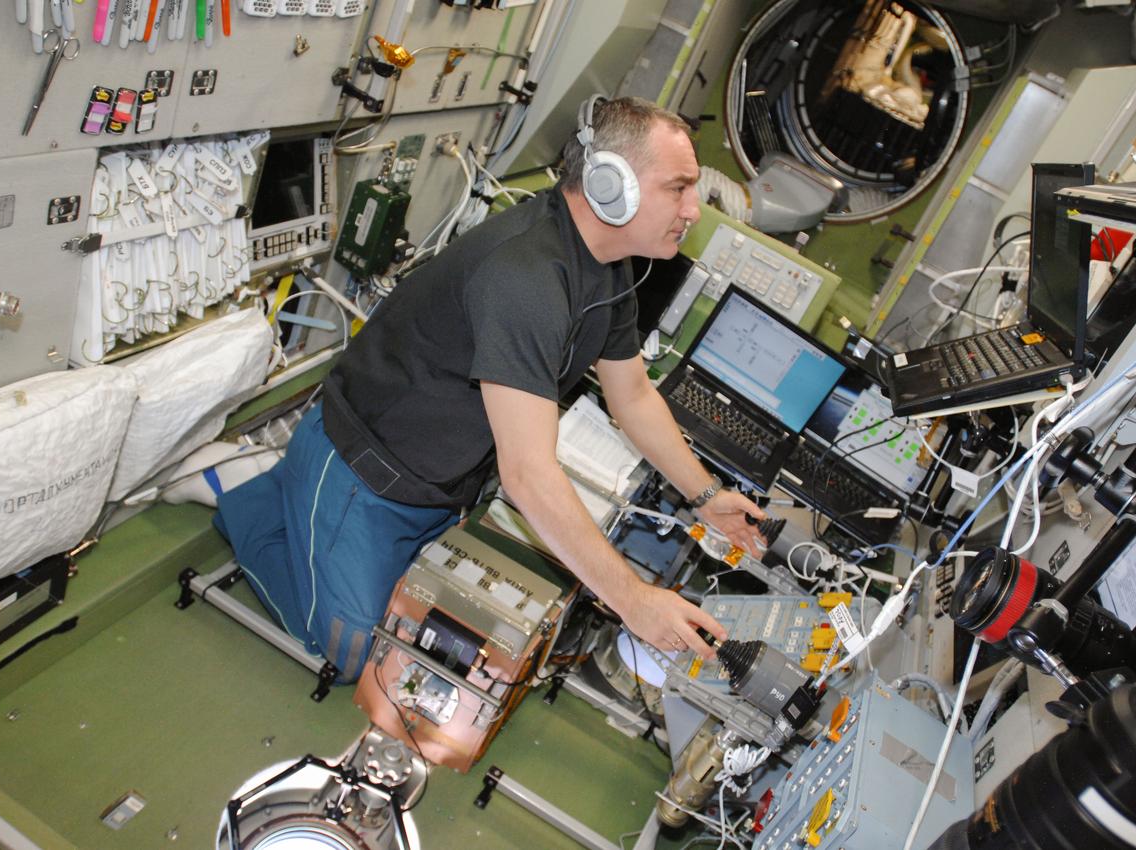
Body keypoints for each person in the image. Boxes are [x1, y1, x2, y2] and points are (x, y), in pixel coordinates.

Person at [215, 96, 767, 682]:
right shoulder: (526, 277)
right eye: (677, 188)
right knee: (352, 654)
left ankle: (291, 495)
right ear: (612, 184)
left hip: (440, 485)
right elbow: (527, 475)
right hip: (366, 473)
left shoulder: (609, 267)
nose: (693, 210)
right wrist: (633, 600)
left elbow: (631, 395)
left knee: (418, 631)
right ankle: (242, 500)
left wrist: (706, 498)